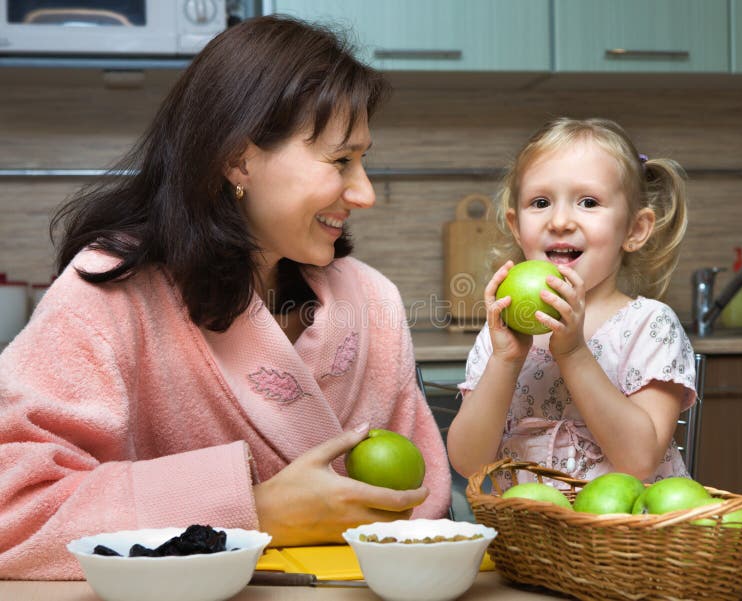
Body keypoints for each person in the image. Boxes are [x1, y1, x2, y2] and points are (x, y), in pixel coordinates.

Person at [0, 15, 450, 579]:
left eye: (363, 161)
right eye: (341, 161)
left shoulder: (372, 301)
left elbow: (425, 506)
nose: (365, 193)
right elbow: (15, 506)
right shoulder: (110, 294)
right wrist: (256, 512)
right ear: (239, 159)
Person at [447, 117, 696, 488]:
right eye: (541, 202)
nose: (560, 220)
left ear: (634, 229)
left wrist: (575, 353)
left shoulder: (650, 325)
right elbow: (468, 462)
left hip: (628, 540)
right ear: (516, 226)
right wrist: (505, 361)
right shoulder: (502, 334)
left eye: (589, 202)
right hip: (528, 541)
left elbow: (640, 460)